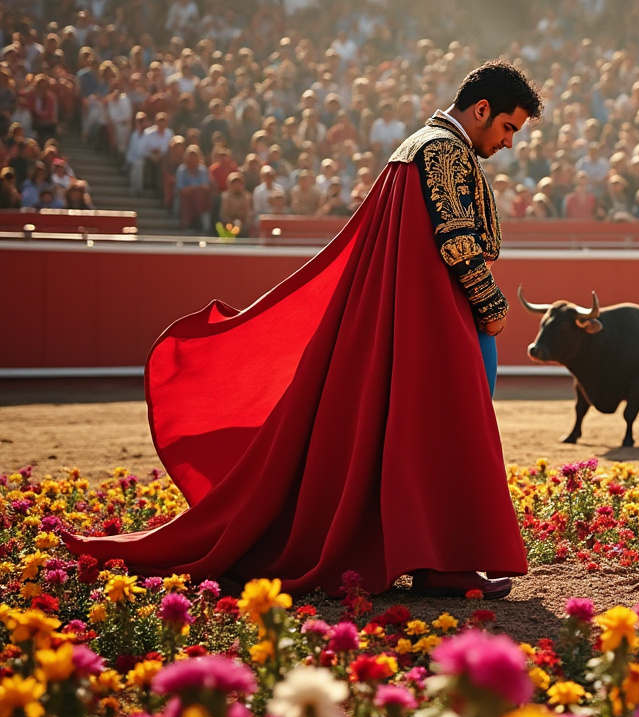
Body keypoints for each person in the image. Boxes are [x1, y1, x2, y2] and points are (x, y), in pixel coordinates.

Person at [63, 60, 542, 599]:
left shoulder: (419, 146)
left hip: (419, 314)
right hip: (435, 318)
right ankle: (442, 563)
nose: (507, 142)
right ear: (482, 109)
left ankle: (433, 559)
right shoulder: (445, 151)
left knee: (415, 431)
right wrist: (490, 305)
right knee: (444, 428)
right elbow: (457, 238)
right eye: (507, 128)